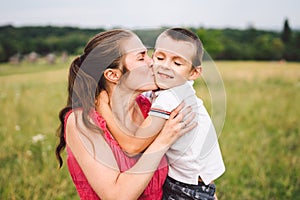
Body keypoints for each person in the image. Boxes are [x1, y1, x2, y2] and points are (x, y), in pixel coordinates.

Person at [55, 29, 196, 200]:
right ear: (113, 74)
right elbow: (117, 196)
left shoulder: (150, 107)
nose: (153, 62)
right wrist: (163, 140)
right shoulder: (82, 122)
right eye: (141, 57)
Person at [101, 28, 225, 200]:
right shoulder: (164, 88)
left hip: (187, 188)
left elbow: (133, 146)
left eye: (177, 63)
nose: (165, 66)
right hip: (189, 181)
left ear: (194, 73)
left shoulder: (172, 95)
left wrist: (103, 108)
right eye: (160, 58)